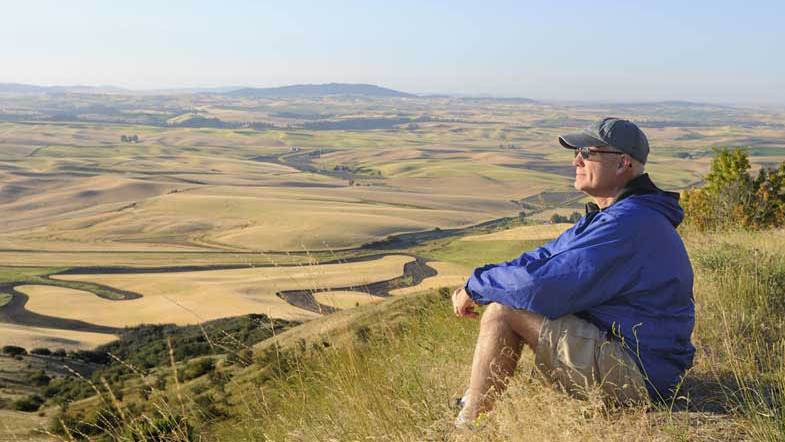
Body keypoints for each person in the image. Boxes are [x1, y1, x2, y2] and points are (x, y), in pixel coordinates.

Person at [452, 117, 695, 424]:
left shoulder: (628, 223)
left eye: (587, 153)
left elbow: (539, 287)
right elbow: (542, 258)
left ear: (623, 163)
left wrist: (476, 287)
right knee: (509, 300)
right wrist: (477, 280)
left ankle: (469, 424)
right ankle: (471, 405)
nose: (576, 160)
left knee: (503, 311)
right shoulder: (614, 215)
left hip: (641, 376)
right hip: (639, 363)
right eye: (577, 152)